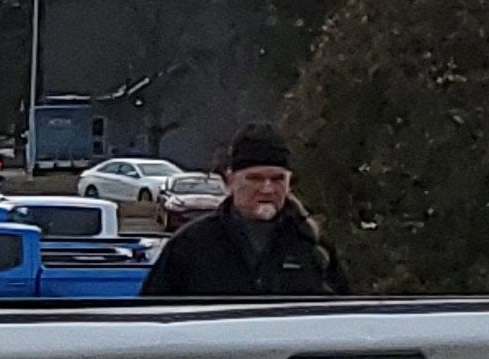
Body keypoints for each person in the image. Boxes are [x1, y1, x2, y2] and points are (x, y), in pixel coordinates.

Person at [142, 123, 349, 298]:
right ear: (230, 180)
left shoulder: (312, 246)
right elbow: (152, 319)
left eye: (277, 179)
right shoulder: (191, 245)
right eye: (255, 178)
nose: (267, 189)